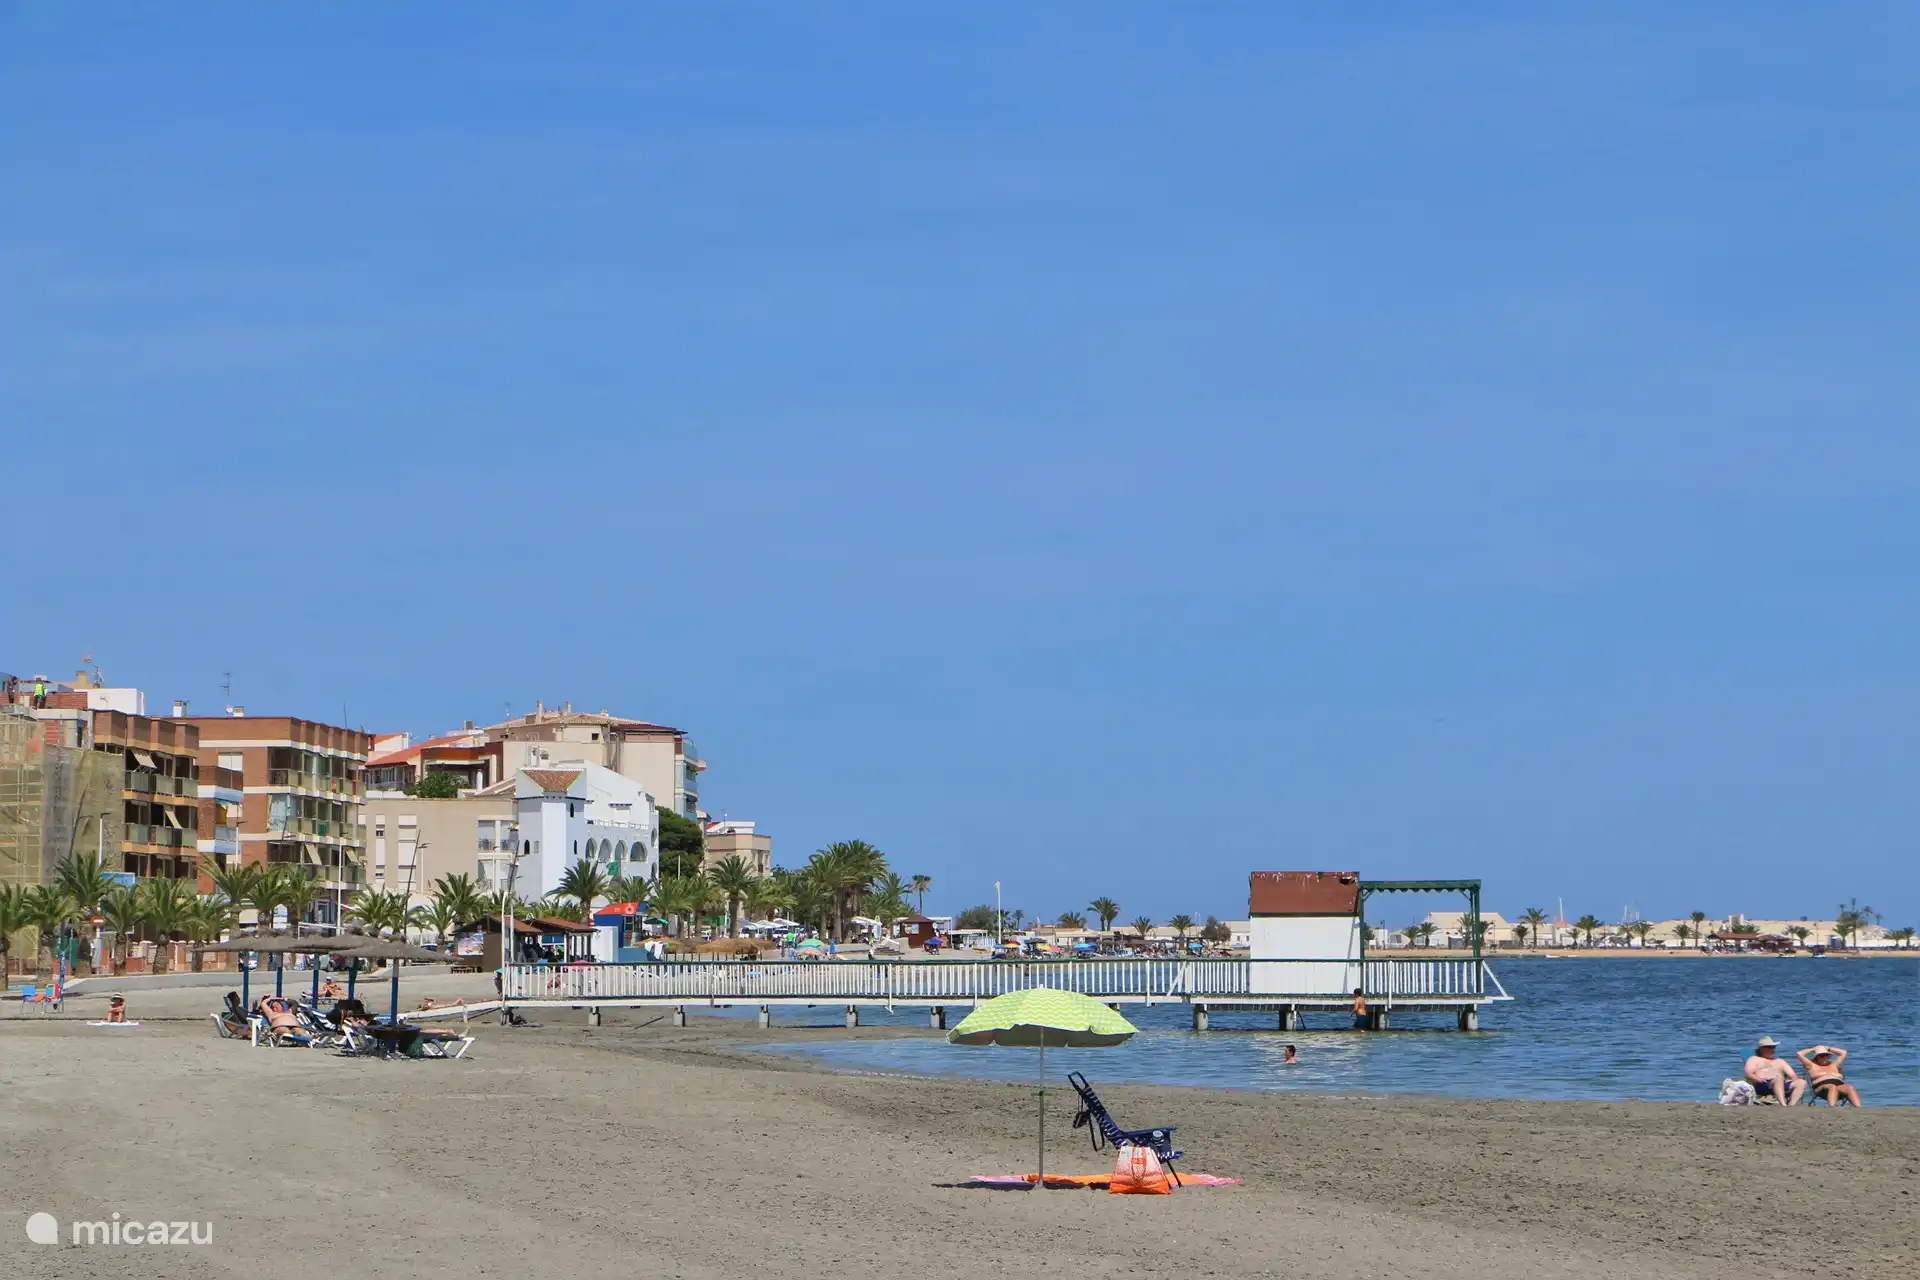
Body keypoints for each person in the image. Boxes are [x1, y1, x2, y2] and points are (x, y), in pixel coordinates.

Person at [1744, 1036, 1805, 1106]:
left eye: (1774, 1047)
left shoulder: (1780, 1061)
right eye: (1770, 1047)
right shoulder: (1754, 1059)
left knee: (1801, 1082)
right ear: (1761, 1049)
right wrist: (1758, 1079)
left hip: (1780, 1083)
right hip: (1763, 1085)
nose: (1772, 1049)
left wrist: (1795, 1080)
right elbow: (1748, 1073)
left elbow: (1793, 1076)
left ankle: (1791, 1105)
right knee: (1778, 1078)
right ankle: (1783, 1105)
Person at [1796, 1044, 1861, 1106]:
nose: (1824, 1057)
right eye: (1821, 1056)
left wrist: (1827, 1048)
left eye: (1826, 1055)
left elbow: (1843, 1052)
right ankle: (1832, 1108)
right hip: (1821, 1089)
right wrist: (1814, 1049)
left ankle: (1858, 1108)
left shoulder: (1834, 1065)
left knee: (1849, 1087)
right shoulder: (1811, 1066)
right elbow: (1799, 1054)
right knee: (1832, 1087)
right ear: (1816, 1057)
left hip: (1839, 1087)